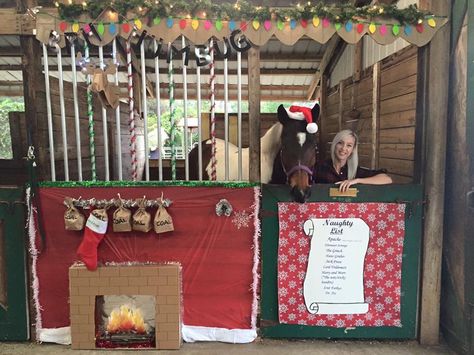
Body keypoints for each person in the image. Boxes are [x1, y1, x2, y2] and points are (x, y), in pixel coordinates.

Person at [314, 129, 392, 192]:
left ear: (353, 150)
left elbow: (387, 179)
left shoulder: (355, 171)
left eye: (349, 145)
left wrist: (356, 181)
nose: (343, 148)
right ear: (334, 145)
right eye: (340, 143)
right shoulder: (319, 167)